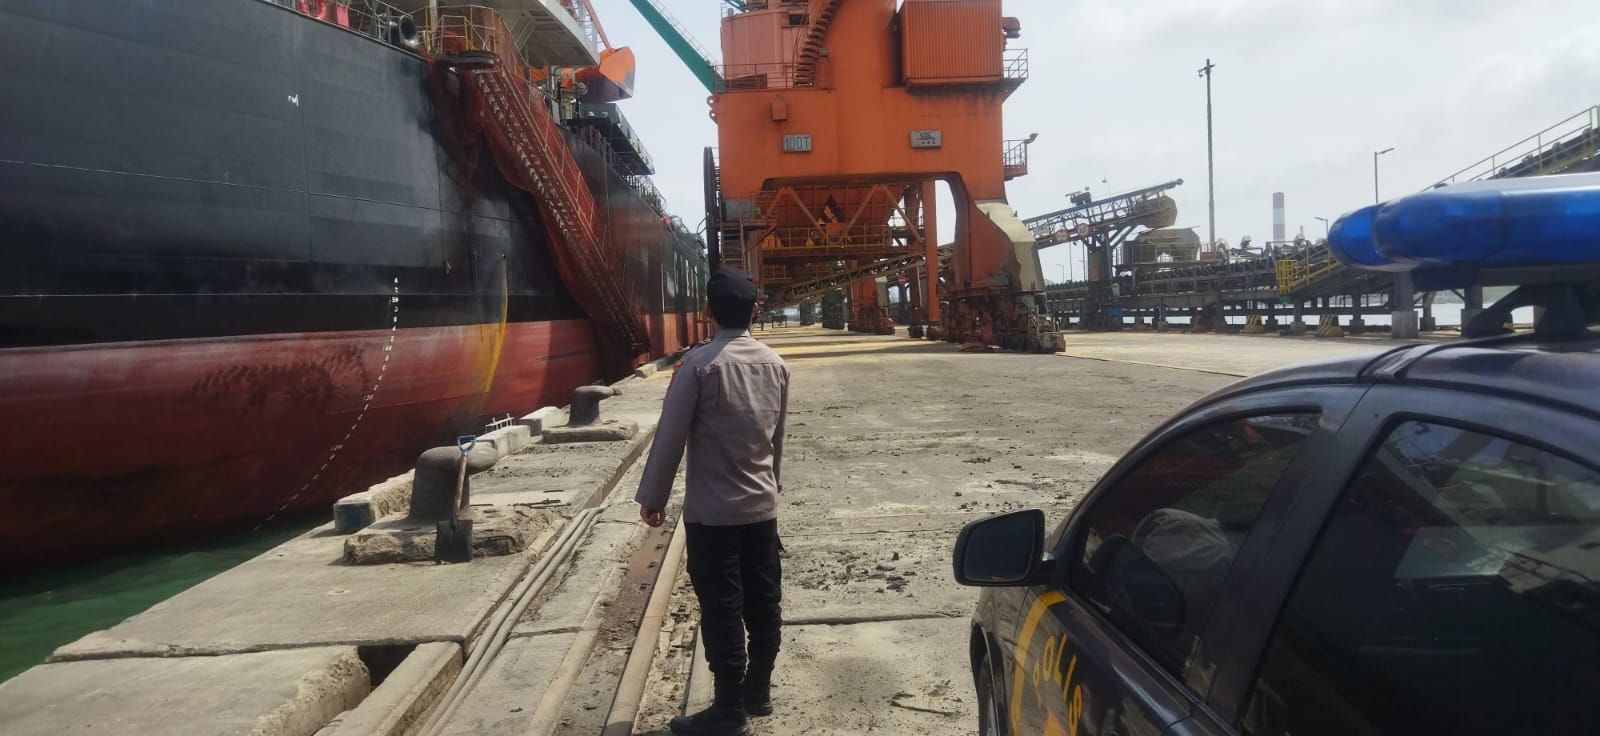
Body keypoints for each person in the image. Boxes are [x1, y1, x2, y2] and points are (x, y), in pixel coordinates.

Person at [636, 267, 791, 736]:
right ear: (755, 311)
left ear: (707, 312)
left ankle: (727, 709)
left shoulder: (698, 366)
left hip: (712, 515)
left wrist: (654, 497)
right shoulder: (777, 365)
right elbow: (776, 442)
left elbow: (670, 437)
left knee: (722, 606)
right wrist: (771, 489)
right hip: (762, 510)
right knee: (764, 600)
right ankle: (758, 692)